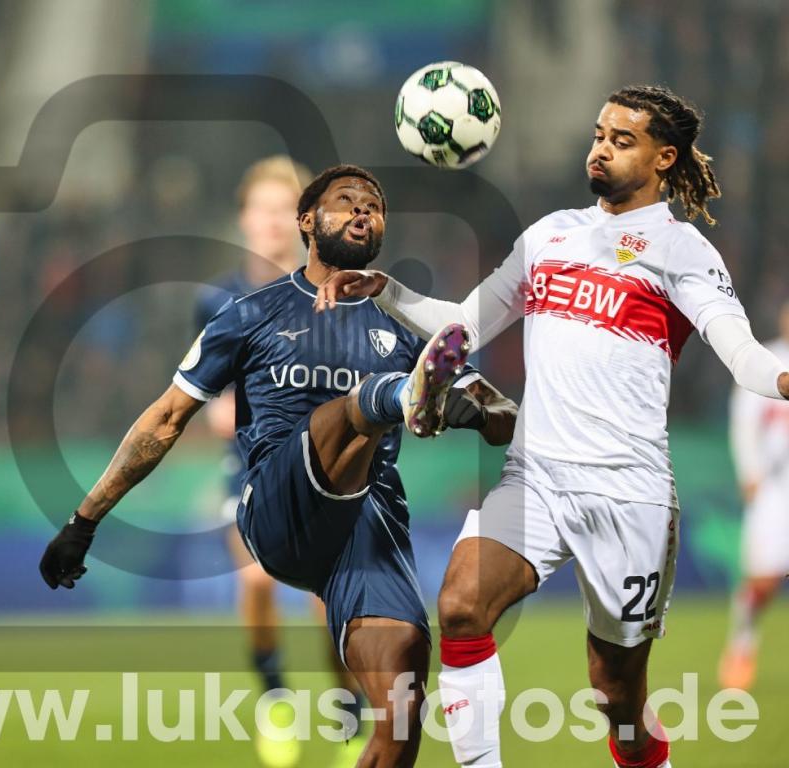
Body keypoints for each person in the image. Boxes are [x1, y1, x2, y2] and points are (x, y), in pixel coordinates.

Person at [315, 85, 789, 768]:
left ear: (664, 157)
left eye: (621, 140)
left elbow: (742, 354)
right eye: (599, 134)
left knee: (616, 694)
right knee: (461, 605)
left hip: (628, 494)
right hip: (535, 476)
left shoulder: (682, 251)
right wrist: (387, 290)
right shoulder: (549, 235)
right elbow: (467, 323)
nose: (601, 149)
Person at [40, 164, 518, 767]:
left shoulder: (408, 322)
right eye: (345, 200)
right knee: (352, 409)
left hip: (368, 525)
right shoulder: (249, 313)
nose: (362, 209)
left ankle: (407, 399)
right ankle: (400, 396)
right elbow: (165, 418)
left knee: (400, 716)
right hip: (278, 507)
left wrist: (480, 411)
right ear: (306, 221)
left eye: (374, 205)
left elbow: (503, 415)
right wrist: (83, 521)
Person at [196, 155, 368, 768]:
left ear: (305, 222)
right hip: (248, 469)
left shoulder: (335, 292)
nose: (270, 221)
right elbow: (204, 384)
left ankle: (350, 713)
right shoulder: (216, 299)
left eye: (282, 211)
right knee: (255, 580)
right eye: (261, 209)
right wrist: (220, 407)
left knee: (326, 607)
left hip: (321, 473)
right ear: (243, 218)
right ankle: (273, 699)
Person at [719, 299, 789, 691]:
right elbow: (744, 423)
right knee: (762, 581)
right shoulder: (769, 361)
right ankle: (742, 644)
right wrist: (750, 472)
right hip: (776, 490)